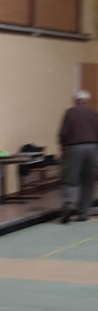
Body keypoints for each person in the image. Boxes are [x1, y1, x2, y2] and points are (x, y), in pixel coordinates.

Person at [57, 90, 98, 223]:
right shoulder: (94, 113)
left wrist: (63, 149)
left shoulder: (70, 112)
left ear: (75, 100)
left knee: (71, 178)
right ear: (86, 101)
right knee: (88, 180)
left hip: (74, 147)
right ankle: (84, 212)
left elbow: (63, 133)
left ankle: (68, 204)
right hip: (92, 148)